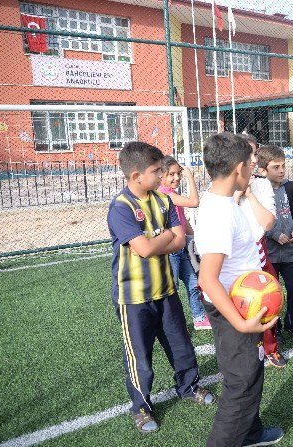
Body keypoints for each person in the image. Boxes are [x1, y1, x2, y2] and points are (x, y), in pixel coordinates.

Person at [107, 142, 215, 434]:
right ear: (136, 176)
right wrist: (164, 237)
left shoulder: (164, 201)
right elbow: (142, 249)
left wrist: (160, 239)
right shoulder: (121, 207)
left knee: (180, 346)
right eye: (156, 171)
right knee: (140, 356)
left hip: (166, 291)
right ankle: (141, 408)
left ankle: (189, 386)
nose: (161, 175)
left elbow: (180, 240)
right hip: (133, 298)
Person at [195, 132, 283, 447]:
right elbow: (207, 278)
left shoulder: (225, 200)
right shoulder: (219, 213)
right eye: (251, 163)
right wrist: (240, 322)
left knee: (250, 373)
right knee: (241, 383)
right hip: (233, 309)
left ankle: (251, 432)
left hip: (245, 303)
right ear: (238, 169)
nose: (254, 169)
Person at [237, 133, 286, 368]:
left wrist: (248, 193)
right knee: (238, 303)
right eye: (249, 154)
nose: (254, 159)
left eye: (255, 153)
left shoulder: (263, 184)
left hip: (258, 251)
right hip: (233, 256)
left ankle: (270, 347)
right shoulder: (220, 190)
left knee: (268, 299)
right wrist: (236, 192)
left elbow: (268, 223)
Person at [258, 144, 293, 343]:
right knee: (272, 294)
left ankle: (292, 322)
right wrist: (273, 234)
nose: (281, 171)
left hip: (289, 252)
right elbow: (256, 219)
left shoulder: (290, 186)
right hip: (269, 254)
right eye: (276, 167)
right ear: (263, 170)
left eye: (283, 166)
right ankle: (275, 328)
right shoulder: (257, 190)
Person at [158, 156, 210, 330]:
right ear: (161, 176)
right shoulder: (164, 194)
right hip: (171, 249)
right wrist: (190, 176)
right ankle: (170, 324)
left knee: (194, 283)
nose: (177, 177)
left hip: (182, 246)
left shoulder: (174, 194)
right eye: (171, 174)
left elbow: (182, 220)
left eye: (178, 173)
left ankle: (199, 317)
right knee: (172, 288)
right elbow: (194, 202)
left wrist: (194, 240)